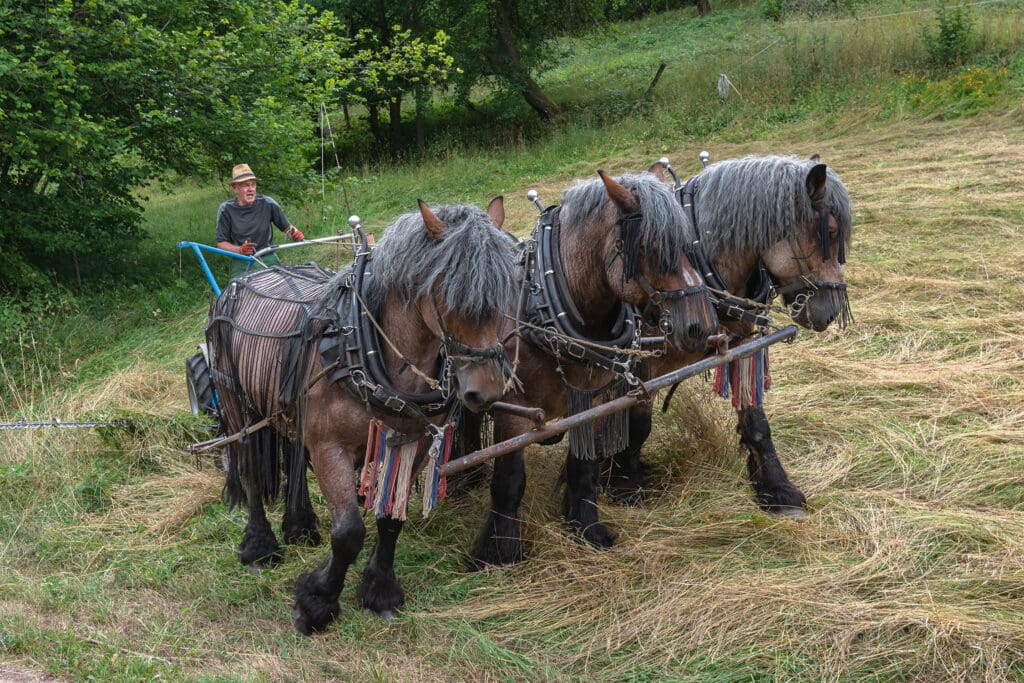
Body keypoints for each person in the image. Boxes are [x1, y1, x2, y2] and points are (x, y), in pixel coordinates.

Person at [216, 163, 304, 278]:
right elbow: (221, 243)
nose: (250, 189)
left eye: (253, 185)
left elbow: (287, 228)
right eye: (245, 185)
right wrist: (240, 250)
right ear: (235, 188)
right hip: (241, 261)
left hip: (267, 257)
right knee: (237, 293)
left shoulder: (268, 203)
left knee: (283, 289)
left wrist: (295, 234)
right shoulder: (226, 209)